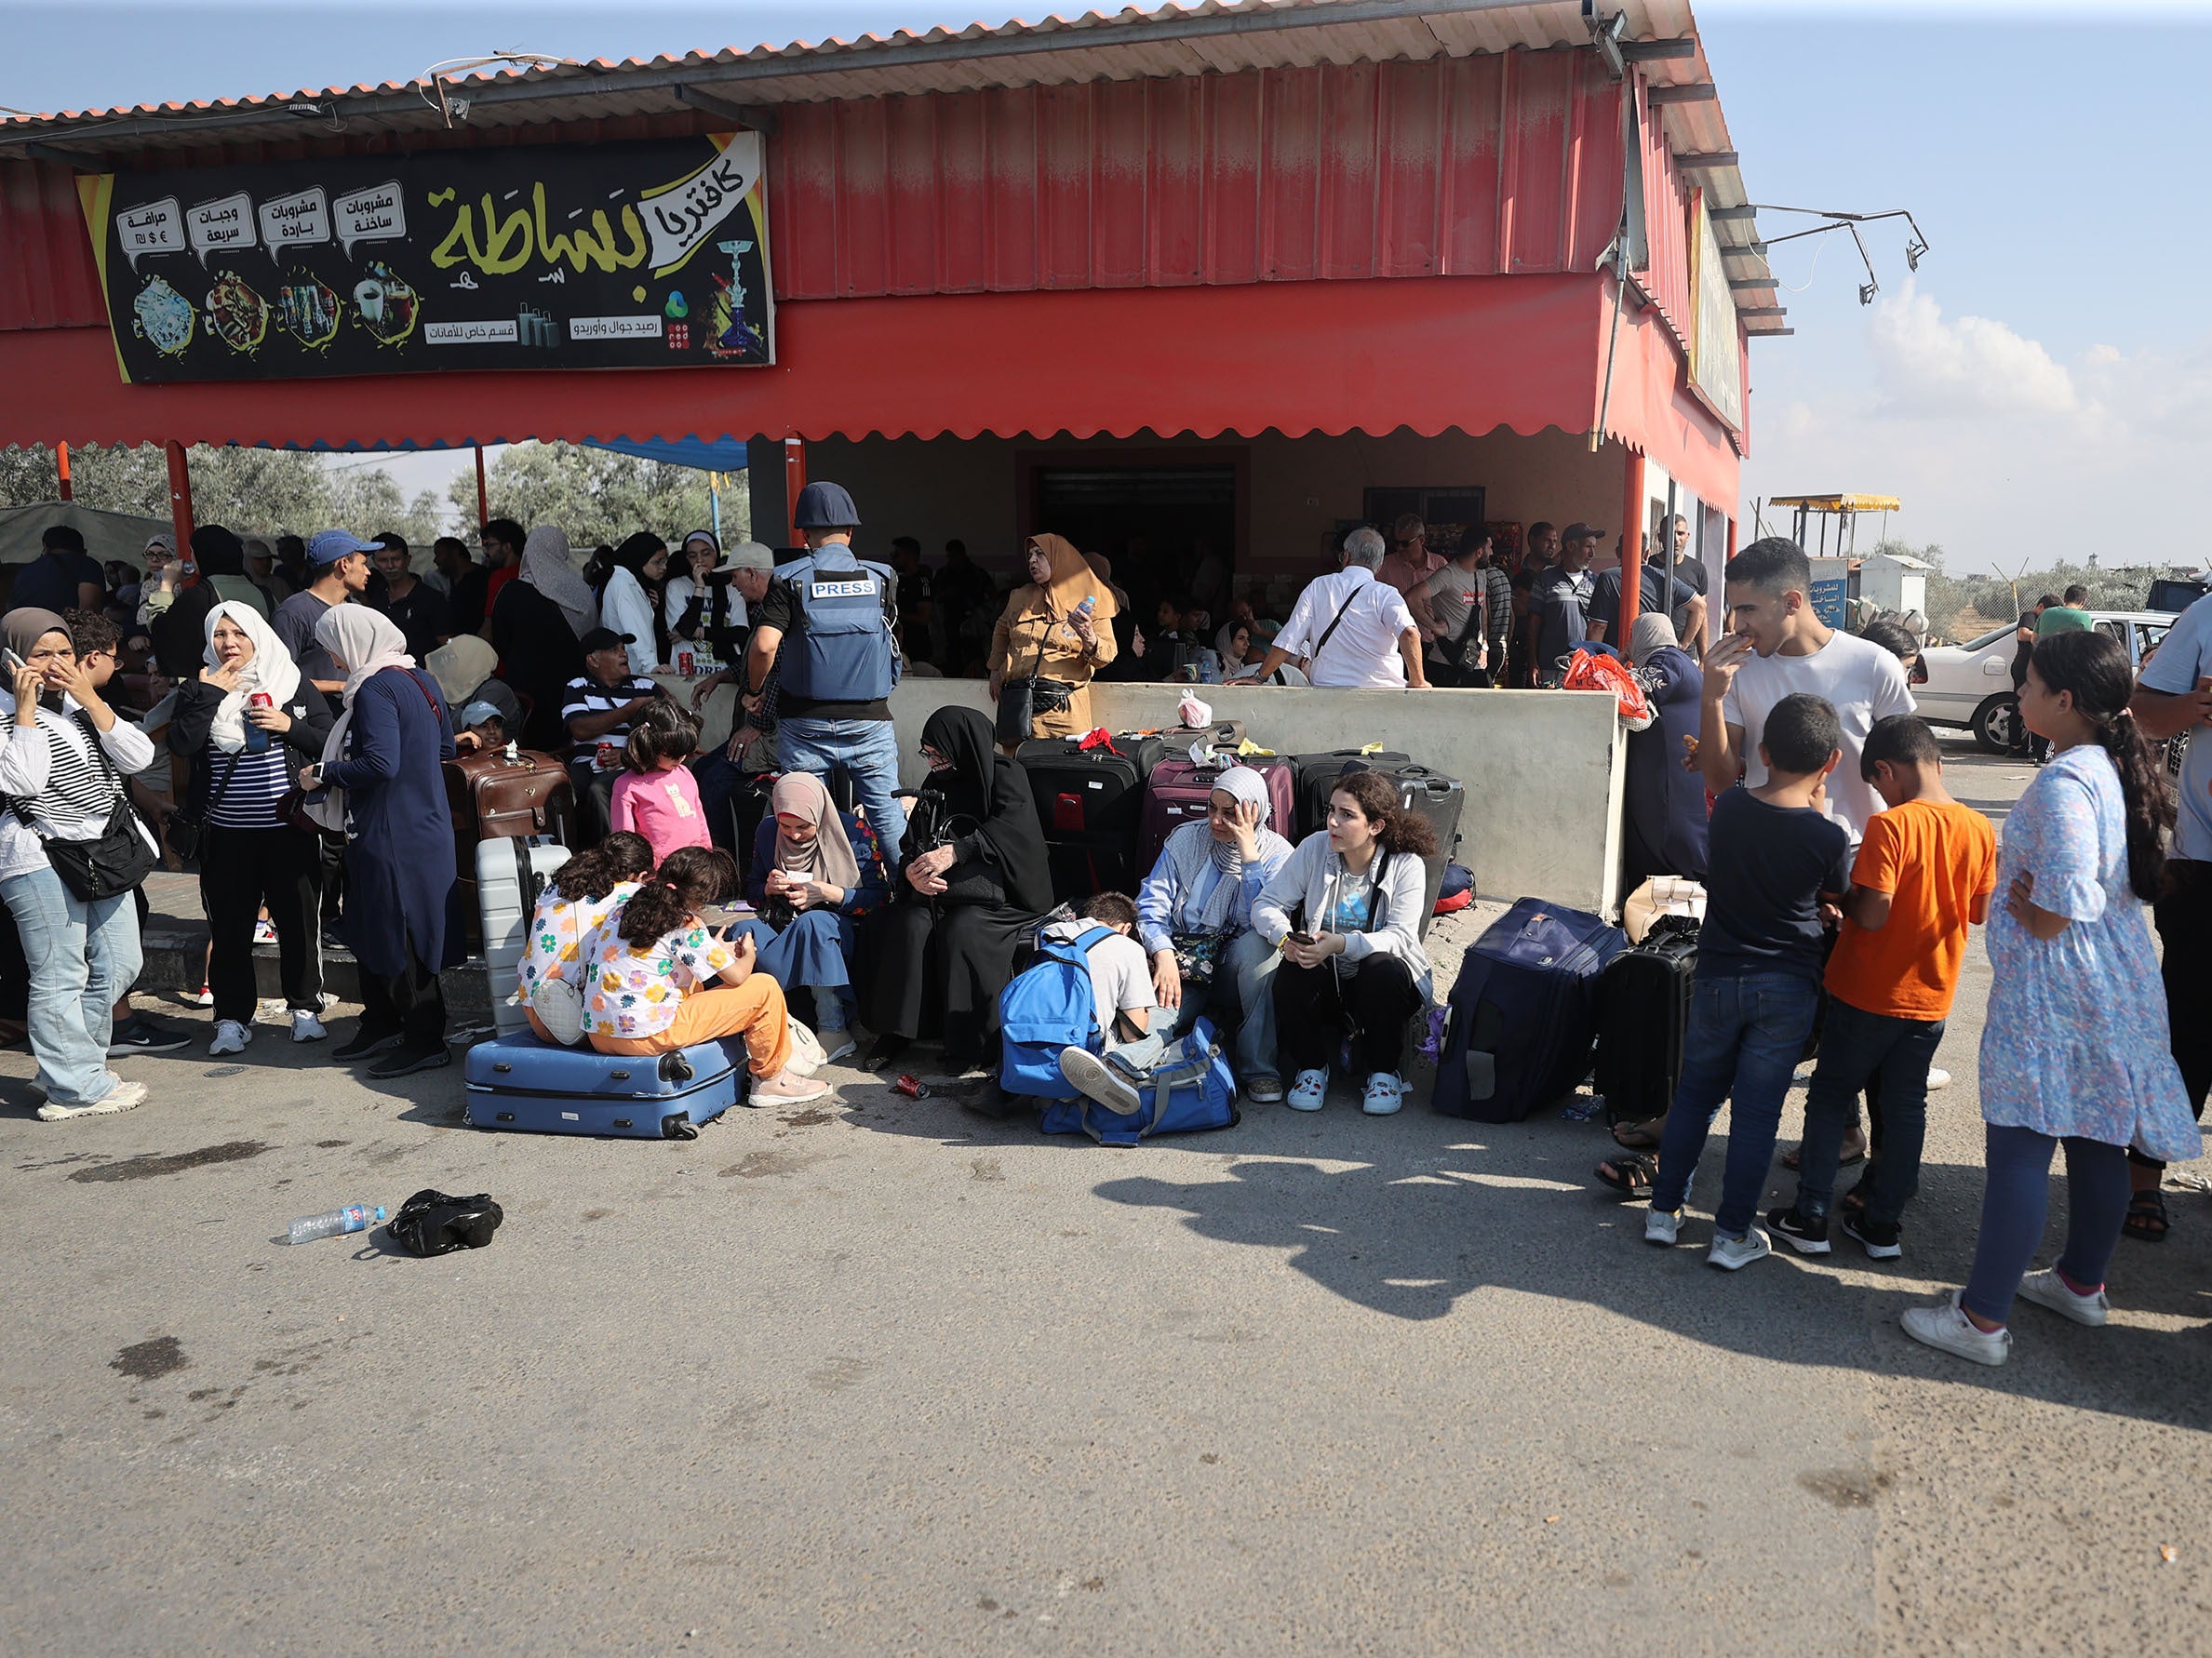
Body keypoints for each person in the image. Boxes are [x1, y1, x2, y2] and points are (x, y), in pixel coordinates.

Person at [1900, 631, 2196, 1365]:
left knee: (2021, 1150)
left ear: (2063, 701)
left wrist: (2033, 912)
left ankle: (1980, 1320)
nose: (2020, 695)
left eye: (2028, 686)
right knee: (2095, 1136)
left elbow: (2063, 890)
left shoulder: (2066, 781)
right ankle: (2079, 1283)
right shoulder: (2108, 763)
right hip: (2111, 988)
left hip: (2055, 996)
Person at [1766, 715, 1997, 1258]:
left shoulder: (1891, 827)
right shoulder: (1980, 828)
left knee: (1829, 1097)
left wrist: (1837, 900)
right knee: (1904, 1107)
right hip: (1931, 995)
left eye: (1877, 786)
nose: (1881, 797)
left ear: (1887, 770)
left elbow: (1871, 915)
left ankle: (1811, 1215)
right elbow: (1980, 911)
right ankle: (1881, 1225)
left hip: (1867, 992)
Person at [1641, 694, 1852, 1265]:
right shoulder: (1828, 838)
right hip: (1787, 986)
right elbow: (1835, 896)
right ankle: (1732, 1235)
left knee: (1695, 1097)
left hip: (1718, 976)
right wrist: (1820, 809)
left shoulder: (1730, 808)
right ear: (1830, 761)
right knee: (1757, 1116)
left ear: (1761, 751)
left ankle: (1663, 1213)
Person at [0, 608, 155, 1121]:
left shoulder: (76, 706)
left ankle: (68, 1064)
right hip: (36, 857)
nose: (53, 664)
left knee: (120, 961)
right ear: (12, 656)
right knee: (59, 974)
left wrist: (88, 698)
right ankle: (75, 1088)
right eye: (40, 653)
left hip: (99, 854)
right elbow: (23, 780)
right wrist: (25, 711)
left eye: (63, 652)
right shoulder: (6, 710)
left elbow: (138, 757)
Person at [299, 607, 459, 1079]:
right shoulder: (421, 680)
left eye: (332, 645)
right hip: (420, 825)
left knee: (401, 934)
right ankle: (384, 1022)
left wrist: (322, 773)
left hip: (390, 832)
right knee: (378, 928)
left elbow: (380, 764)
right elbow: (444, 748)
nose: (332, 657)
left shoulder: (373, 689)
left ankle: (424, 1037)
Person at [168, 601, 335, 1054]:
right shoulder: (200, 684)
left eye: (239, 634)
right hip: (226, 834)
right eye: (220, 635)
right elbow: (180, 743)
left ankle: (304, 1008)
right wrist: (207, 696)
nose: (229, 644)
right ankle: (230, 1018)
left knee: (299, 923)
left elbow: (330, 741)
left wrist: (288, 725)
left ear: (257, 635)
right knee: (229, 929)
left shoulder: (290, 681)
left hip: (289, 829)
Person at [863, 705, 1053, 1073]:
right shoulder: (937, 783)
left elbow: (1014, 832)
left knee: (963, 929)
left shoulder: (1006, 776)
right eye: (927, 753)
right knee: (908, 923)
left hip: (1005, 895)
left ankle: (971, 1044)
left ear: (961, 746)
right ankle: (899, 1031)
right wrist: (913, 874)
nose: (932, 761)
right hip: (947, 892)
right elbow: (913, 843)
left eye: (938, 753)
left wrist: (957, 850)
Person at [1696, 537, 1915, 846]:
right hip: (1771, 850)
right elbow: (1720, 782)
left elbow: (1912, 773)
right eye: (1734, 610)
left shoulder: (1874, 664)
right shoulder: (1737, 671)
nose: (1737, 625)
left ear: (1792, 602)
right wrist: (1711, 698)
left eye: (1748, 610)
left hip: (1860, 854)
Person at [577, 844, 828, 1103]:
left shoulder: (623, 909)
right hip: (646, 1034)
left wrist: (715, 950)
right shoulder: (685, 923)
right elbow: (738, 977)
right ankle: (772, 1079)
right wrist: (749, 954)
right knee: (764, 988)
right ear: (704, 896)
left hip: (600, 1034)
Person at [1253, 769, 1435, 1114]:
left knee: (1382, 966)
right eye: (1331, 811)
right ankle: (1311, 1069)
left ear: (1375, 826)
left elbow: (1400, 936)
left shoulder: (1405, 864)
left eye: (1347, 815)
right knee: (1293, 969)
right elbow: (1266, 904)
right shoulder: (1314, 849)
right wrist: (1284, 941)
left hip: (1383, 985)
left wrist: (1340, 943)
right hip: (1329, 980)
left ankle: (1384, 1073)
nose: (1332, 823)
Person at [745, 481, 907, 865]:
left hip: (804, 725)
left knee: (799, 819)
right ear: (850, 531)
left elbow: (765, 645)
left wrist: (754, 690)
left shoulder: (788, 579)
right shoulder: (882, 577)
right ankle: (913, 900)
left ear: (804, 533)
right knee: (888, 821)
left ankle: (803, 902)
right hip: (870, 721)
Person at [2127, 588, 2212, 1241]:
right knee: (2183, 1034)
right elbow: (2142, 711)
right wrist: (2191, 706)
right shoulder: (2205, 615)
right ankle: (2144, 1181)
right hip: (2203, 864)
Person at [1134, 765, 1295, 1102]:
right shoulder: (1186, 839)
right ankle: (1122, 1066)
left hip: (1236, 969)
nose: (1216, 821)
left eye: (1230, 812)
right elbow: (1151, 903)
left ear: (1257, 811)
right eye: (1212, 808)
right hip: (1185, 964)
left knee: (1260, 947)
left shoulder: (1279, 853)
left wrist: (1249, 855)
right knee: (1158, 1019)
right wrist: (1162, 952)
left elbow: (1265, 918)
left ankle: (1259, 1069)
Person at [729, 770, 891, 1066]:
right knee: (742, 931)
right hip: (784, 926)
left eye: (803, 827)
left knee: (813, 922)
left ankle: (834, 1029)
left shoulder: (853, 831)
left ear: (820, 814)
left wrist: (827, 893)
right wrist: (767, 887)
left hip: (840, 930)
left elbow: (880, 899)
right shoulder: (767, 832)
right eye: (785, 826)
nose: (793, 835)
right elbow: (751, 893)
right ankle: (751, 1023)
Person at [513, 830, 654, 1045]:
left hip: (536, 1008)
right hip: (572, 1018)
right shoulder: (629, 894)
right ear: (641, 875)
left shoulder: (558, 884)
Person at [1253, 528, 1427, 690]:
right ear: (1379, 567)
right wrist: (1417, 681)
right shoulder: (1386, 594)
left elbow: (1289, 639)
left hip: (1328, 692)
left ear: (1346, 556)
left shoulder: (1318, 587)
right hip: (1383, 692)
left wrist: (1260, 677)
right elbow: (1409, 634)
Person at [987, 533, 1119, 744]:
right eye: (1029, 555)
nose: (1032, 560)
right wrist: (995, 670)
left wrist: (1087, 634)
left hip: (1064, 710)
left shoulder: (1091, 600)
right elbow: (1002, 631)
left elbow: (1107, 654)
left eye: (1040, 554)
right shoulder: (1020, 597)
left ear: (1059, 558)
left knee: (1063, 771)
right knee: (1017, 772)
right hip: (1019, 708)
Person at [1621, 613, 1709, 889]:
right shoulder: (1683, 662)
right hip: (1675, 775)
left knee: (1668, 844)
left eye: (1633, 635)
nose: (1630, 641)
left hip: (1669, 780)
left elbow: (1626, 687)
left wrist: (1620, 659)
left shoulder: (1667, 661)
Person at [489, 527, 591, 753]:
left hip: (525, 689)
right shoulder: (580, 591)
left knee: (526, 753)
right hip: (570, 688)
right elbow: (589, 641)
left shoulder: (510, 592)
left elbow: (501, 641)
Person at [563, 627, 666, 847]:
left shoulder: (645, 686)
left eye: (623, 648)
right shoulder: (578, 687)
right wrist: (628, 711)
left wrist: (630, 754)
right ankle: (568, 854)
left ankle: (617, 859)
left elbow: (670, 726)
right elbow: (580, 729)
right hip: (585, 764)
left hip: (630, 763)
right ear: (593, 660)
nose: (624, 654)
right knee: (560, 785)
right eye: (614, 650)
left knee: (599, 790)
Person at [151, 526, 268, 680]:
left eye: (193, 553)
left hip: (214, 686)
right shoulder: (265, 595)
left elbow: (162, 631)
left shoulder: (197, 597)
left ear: (202, 556)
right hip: (260, 682)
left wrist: (167, 584)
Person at [275, 529, 376, 698]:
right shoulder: (293, 613)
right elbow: (279, 677)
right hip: (314, 720)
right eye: (363, 563)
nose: (368, 571)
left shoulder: (357, 610)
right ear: (344, 564)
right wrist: (341, 686)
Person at [610, 701, 711, 865]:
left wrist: (707, 854)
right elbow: (625, 839)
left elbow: (700, 820)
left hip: (694, 868)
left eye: (684, 753)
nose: (680, 759)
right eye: (671, 754)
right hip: (656, 874)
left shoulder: (685, 774)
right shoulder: (627, 786)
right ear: (648, 744)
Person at [1587, 537, 1707, 655]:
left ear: (1618, 552)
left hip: (1617, 658)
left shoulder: (1608, 578)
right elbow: (1700, 606)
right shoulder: (1663, 578)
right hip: (1654, 659)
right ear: (1647, 554)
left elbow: (1598, 626)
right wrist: (1682, 644)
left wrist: (1591, 660)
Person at [1416, 532, 1495, 687]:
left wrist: (1484, 645)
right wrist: (1433, 626)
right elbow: (1412, 598)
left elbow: (1482, 613)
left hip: (1474, 661)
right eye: (1490, 548)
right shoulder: (1447, 575)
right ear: (1479, 552)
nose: (1492, 553)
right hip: (1445, 661)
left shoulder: (1481, 575)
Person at [1530, 523, 1601, 688]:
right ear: (1571, 546)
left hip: (1585, 668)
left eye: (1594, 547)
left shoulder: (1596, 582)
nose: (1592, 554)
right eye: (1588, 547)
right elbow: (1534, 623)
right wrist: (1533, 661)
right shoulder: (1545, 579)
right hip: (1551, 667)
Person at [596, 532, 669, 678]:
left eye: (664, 561)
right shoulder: (623, 583)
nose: (664, 567)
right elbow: (634, 627)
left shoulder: (632, 583)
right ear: (640, 559)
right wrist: (651, 665)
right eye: (657, 562)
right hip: (630, 671)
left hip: (631, 669)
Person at [369, 535, 449, 663]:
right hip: (385, 674)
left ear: (408, 560)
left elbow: (446, 644)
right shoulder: (377, 595)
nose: (390, 565)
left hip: (423, 676)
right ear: (374, 561)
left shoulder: (431, 598)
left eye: (396, 559)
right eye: (383, 560)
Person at [424, 633, 519, 732]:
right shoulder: (459, 685)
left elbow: (459, 726)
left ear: (471, 662)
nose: (443, 663)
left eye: (451, 658)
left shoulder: (495, 691)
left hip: (490, 747)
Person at [932, 537, 998, 675]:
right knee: (953, 657)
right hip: (951, 623)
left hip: (975, 625)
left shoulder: (975, 573)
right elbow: (935, 598)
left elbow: (993, 594)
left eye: (955, 555)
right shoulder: (945, 574)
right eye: (950, 556)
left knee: (975, 659)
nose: (953, 559)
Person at [11, 525, 105, 617]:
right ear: (84, 552)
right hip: (61, 628)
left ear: (46, 547)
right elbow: (89, 609)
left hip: (20, 626)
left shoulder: (25, 570)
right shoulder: (88, 565)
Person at [1510, 520, 1561, 689]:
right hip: (1519, 647)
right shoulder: (1513, 571)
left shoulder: (1558, 575)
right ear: (1532, 540)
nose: (1552, 546)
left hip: (1548, 649)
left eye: (1554, 541)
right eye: (1547, 540)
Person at [1665, 514, 1709, 650]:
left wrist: (1703, 659)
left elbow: (1702, 614)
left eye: (1680, 533)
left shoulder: (1698, 569)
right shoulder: (1650, 566)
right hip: (1653, 650)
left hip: (1684, 653)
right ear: (1660, 536)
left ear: (1687, 536)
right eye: (1670, 533)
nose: (1676, 539)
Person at [476, 518, 526, 632]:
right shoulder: (535, 574)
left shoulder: (500, 577)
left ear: (507, 547)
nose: (486, 552)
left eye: (489, 545)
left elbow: (488, 629)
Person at [435, 537, 489, 635]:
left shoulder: (482, 578)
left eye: (439, 554)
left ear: (455, 552)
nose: (435, 560)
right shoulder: (452, 579)